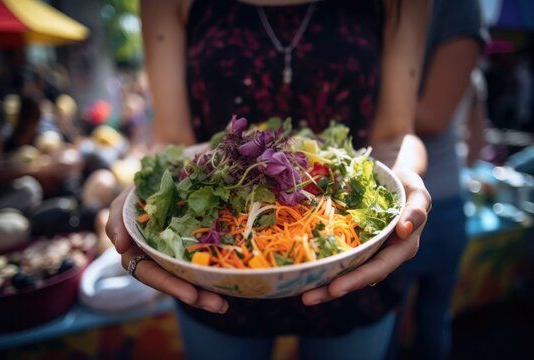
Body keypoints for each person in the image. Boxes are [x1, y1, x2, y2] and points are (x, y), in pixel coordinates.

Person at [106, 1, 432, 359]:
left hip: (351, 261)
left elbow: (395, 134)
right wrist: (148, 190)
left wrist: (403, 179)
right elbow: (173, 138)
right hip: (210, 266)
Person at [387, 0, 487, 359]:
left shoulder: (458, 9)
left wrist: (364, 98)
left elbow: (433, 117)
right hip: (438, 192)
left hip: (437, 203)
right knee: (410, 321)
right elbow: (478, 141)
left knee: (416, 322)